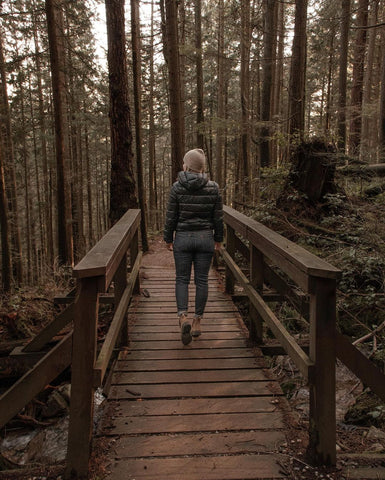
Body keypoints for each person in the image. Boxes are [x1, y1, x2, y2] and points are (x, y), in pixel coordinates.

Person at [164, 148, 223, 345]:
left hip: (183, 237)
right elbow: (218, 218)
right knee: (202, 281)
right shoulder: (213, 187)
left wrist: (168, 238)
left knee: (181, 279)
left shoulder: (177, 187)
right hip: (205, 237)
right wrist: (218, 239)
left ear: (187, 165)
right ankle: (197, 321)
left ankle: (183, 317)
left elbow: (171, 216)